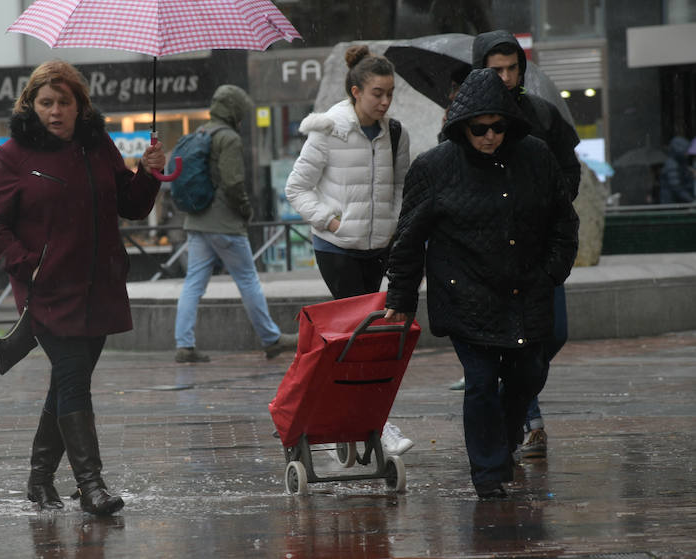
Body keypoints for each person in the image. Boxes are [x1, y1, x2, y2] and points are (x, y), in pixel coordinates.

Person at [0, 59, 165, 515]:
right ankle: (91, 485)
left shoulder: (97, 145)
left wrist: (150, 172)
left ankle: (40, 480)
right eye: (46, 102)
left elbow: (132, 205)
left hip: (98, 285)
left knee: (67, 382)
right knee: (73, 381)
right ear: (31, 103)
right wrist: (27, 266)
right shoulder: (12, 156)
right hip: (48, 290)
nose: (55, 111)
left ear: (80, 107)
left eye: (65, 102)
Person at [384, 68, 579, 498]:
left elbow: (563, 223)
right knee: (481, 381)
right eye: (479, 129)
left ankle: (504, 441)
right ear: (462, 126)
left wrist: (550, 272)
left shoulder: (537, 157)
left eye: (498, 126)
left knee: (528, 375)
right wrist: (400, 295)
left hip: (527, 289)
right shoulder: (434, 168)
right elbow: (409, 238)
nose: (490, 136)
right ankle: (489, 475)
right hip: (464, 293)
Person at [285, 45, 414, 456]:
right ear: (355, 91)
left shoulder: (395, 133)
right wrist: (330, 221)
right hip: (338, 248)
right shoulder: (328, 131)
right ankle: (374, 422)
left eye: (390, 92)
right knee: (363, 337)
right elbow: (296, 188)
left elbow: (401, 188)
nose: (385, 101)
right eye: (378, 92)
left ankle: (351, 419)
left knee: (368, 336)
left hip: (378, 248)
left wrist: (393, 226)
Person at [467, 30, 583, 460]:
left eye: (513, 67)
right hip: (491, 254)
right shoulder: (465, 121)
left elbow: (569, 169)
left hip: (540, 249)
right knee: (510, 343)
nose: (506, 76)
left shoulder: (541, 113)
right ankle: (525, 417)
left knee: (551, 334)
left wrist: (551, 202)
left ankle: (515, 401)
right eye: (496, 69)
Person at [173, 84, 297, 363]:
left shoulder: (200, 132)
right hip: (224, 224)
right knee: (248, 279)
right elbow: (233, 182)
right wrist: (244, 208)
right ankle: (271, 339)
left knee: (193, 283)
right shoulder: (228, 138)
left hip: (196, 221)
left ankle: (184, 345)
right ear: (234, 110)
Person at [658, 136, 695, 204]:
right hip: (673, 203)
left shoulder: (681, 163)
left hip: (678, 203)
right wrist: (691, 200)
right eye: (685, 151)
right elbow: (676, 186)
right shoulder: (672, 165)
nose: (688, 154)